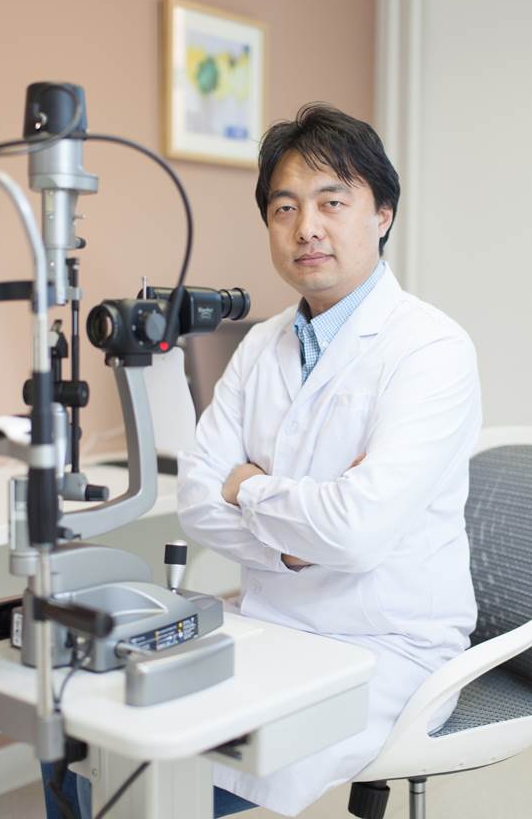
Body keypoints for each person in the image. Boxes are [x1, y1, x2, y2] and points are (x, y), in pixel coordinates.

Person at [176, 103, 482, 817]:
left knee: (180, 773)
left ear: (382, 214)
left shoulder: (431, 349)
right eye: (284, 208)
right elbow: (194, 500)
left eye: (331, 202)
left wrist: (249, 488)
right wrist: (296, 545)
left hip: (385, 644)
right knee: (94, 733)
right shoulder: (261, 345)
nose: (306, 227)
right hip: (270, 621)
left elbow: (357, 532)